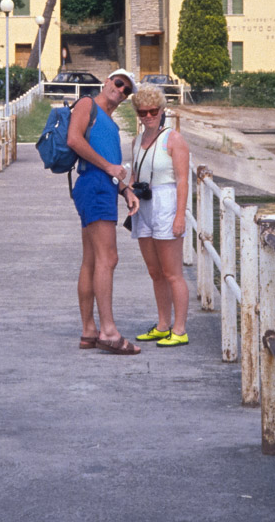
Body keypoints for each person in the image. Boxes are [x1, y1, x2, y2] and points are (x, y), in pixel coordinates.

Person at [67, 69, 141, 355]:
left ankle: (89, 331)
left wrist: (125, 190)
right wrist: (110, 169)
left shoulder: (109, 122)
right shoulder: (88, 104)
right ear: (107, 81)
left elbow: (109, 165)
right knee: (108, 258)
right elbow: (74, 140)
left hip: (102, 187)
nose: (121, 91)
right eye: (119, 83)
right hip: (95, 186)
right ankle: (108, 331)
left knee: (92, 259)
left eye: (127, 91)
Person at [126, 84, 193, 347]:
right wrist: (130, 194)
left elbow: (183, 181)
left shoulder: (173, 139)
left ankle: (180, 328)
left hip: (166, 203)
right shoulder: (137, 141)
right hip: (144, 206)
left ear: (162, 110)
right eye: (143, 112)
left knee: (172, 272)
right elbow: (134, 175)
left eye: (153, 111)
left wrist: (180, 216)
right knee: (155, 271)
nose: (148, 116)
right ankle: (163, 324)